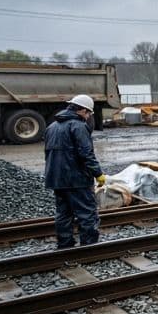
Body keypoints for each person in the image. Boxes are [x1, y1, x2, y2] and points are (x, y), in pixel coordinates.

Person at [44, 94, 106, 249]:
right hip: (76, 179)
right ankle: (89, 247)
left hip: (56, 179)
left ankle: (65, 245)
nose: (89, 117)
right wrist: (98, 173)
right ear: (82, 110)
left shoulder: (52, 127)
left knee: (64, 214)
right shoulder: (78, 126)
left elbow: (47, 154)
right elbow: (86, 153)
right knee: (87, 213)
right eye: (89, 113)